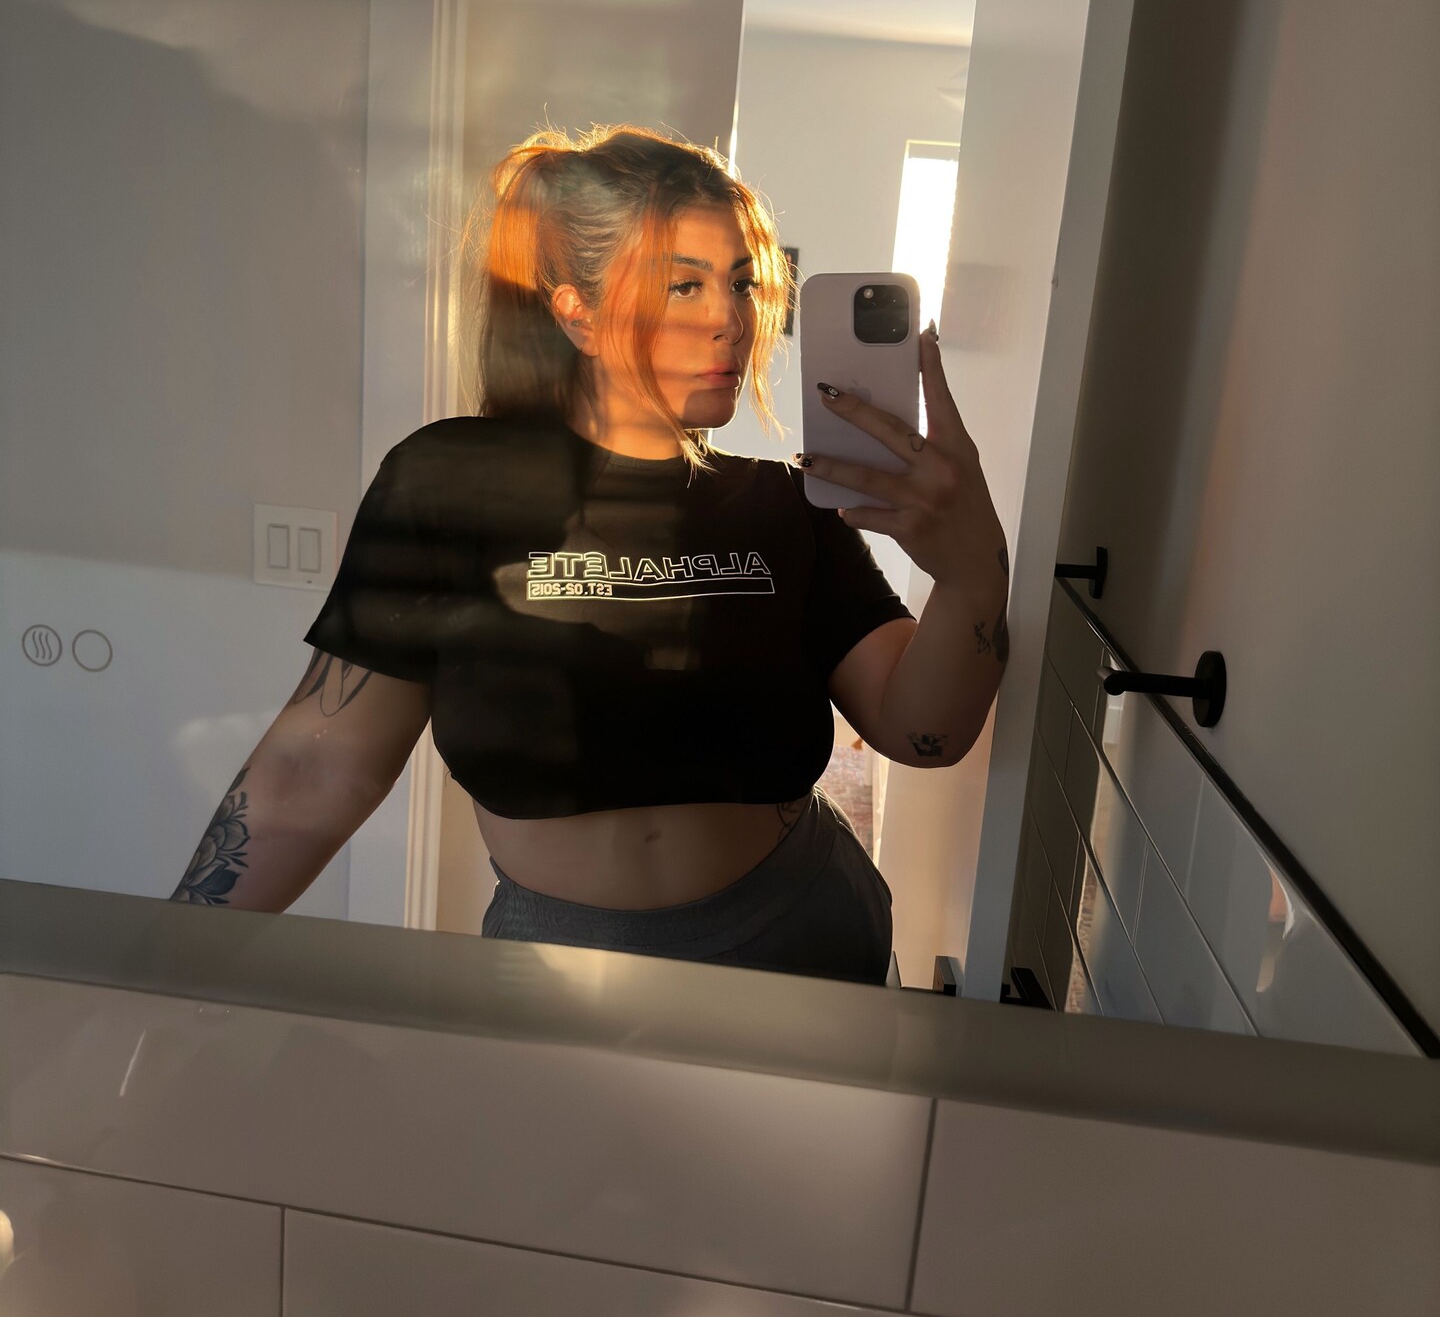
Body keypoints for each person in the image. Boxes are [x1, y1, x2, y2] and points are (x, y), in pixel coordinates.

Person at [170, 125, 1010, 984]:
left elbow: (923, 733)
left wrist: (972, 572)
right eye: (684, 284)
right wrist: (169, 969)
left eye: (741, 283)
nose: (732, 320)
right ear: (577, 312)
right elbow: (314, 768)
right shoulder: (448, 484)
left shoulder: (785, 504)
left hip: (804, 931)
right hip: (558, 964)